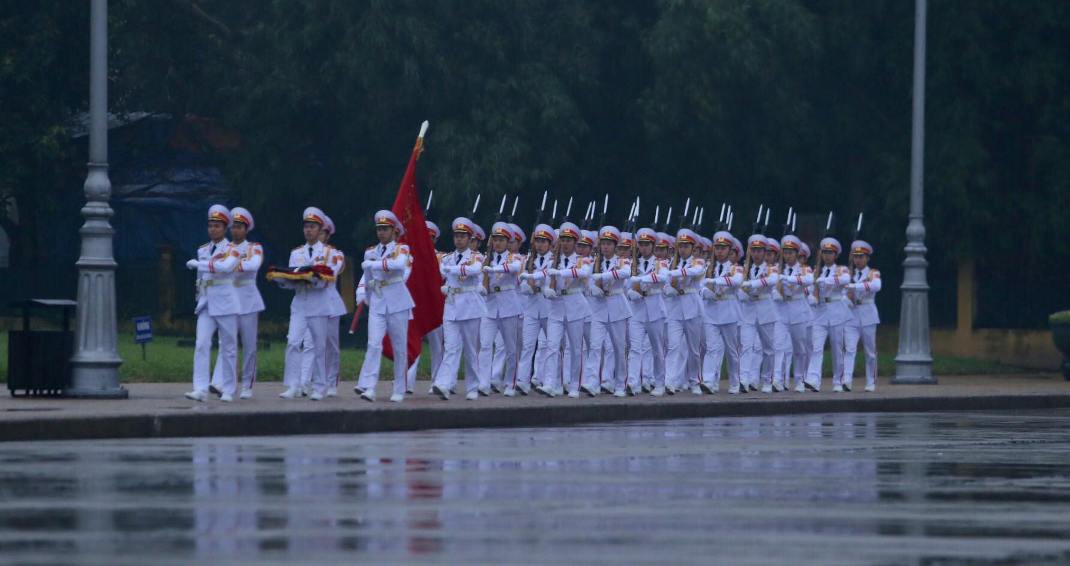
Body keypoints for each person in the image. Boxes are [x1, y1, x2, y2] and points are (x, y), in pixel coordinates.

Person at [354, 210, 414, 402]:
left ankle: (399, 388)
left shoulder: (402, 248)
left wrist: (374, 265)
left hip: (397, 300)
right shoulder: (370, 251)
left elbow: (398, 266)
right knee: (373, 344)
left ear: (394, 230)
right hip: (378, 301)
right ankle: (369, 387)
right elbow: (368, 276)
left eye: (385, 229)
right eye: (379, 229)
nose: (381, 232)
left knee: (399, 347)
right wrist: (363, 293)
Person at [276, 207, 335, 401]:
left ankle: (318, 386)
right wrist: (283, 279)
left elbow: (328, 277)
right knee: (293, 342)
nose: (309, 230)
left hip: (318, 301)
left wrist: (312, 277)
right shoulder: (297, 253)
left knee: (317, 345)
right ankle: (293, 385)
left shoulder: (328, 253)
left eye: (313, 227)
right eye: (306, 227)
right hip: (300, 301)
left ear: (320, 230)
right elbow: (292, 277)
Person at [185, 205, 241, 402]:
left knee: (228, 346)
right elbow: (201, 278)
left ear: (225, 228)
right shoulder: (203, 250)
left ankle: (228, 388)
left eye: (217, 226)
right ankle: (199, 388)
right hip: (207, 302)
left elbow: (225, 269)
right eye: (210, 225)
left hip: (226, 301)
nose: (213, 229)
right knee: (201, 344)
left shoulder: (232, 250)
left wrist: (200, 264)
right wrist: (198, 299)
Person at [208, 206, 263, 400]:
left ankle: (247, 384)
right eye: (234, 227)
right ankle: (220, 382)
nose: (236, 231)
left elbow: (253, 265)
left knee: (249, 345)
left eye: (240, 227)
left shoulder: (254, 247)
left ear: (246, 229)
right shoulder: (225, 248)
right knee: (226, 343)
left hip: (248, 300)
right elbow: (215, 268)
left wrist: (232, 266)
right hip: (229, 299)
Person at [432, 217, 487, 400]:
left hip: (470, 306)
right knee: (451, 347)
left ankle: (472, 387)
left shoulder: (477, 257)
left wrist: (452, 270)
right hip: (452, 304)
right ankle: (444, 384)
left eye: (463, 236)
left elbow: (475, 270)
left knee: (471, 350)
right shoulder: (447, 258)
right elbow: (439, 272)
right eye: (456, 235)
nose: (459, 239)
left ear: (470, 238)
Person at [535, 221, 592, 398]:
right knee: (552, 346)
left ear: (575, 243)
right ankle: (552, 383)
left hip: (575, 305)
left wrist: (559, 273)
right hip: (556, 307)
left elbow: (582, 273)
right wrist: (547, 291)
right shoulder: (553, 261)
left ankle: (574, 384)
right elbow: (544, 282)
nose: (566, 243)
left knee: (575, 348)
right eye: (563, 240)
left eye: (569, 240)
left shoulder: (583, 260)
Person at [582, 225, 633, 397]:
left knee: (618, 348)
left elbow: (625, 274)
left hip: (617, 306)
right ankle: (592, 382)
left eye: (609, 244)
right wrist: (591, 288)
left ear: (615, 246)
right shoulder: (594, 262)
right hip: (598, 308)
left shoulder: (622, 262)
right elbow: (586, 279)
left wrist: (602, 276)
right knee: (595, 346)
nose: (605, 247)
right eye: (603, 243)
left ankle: (620, 383)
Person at [479, 221, 523, 397]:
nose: (497, 243)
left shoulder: (515, 258)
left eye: (501, 240)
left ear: (507, 242)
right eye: (495, 239)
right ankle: (484, 382)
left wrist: (493, 268)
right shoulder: (485, 258)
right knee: (485, 346)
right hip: (489, 306)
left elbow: (514, 269)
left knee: (511, 348)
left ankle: (511, 382)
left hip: (508, 304)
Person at [805, 236, 852, 392]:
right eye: (825, 252)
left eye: (830, 253)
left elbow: (846, 279)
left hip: (836, 310)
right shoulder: (817, 271)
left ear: (836, 255)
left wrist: (828, 281)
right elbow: (812, 290)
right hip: (820, 311)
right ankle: (813, 380)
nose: (827, 255)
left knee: (837, 348)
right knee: (816, 347)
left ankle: (838, 381)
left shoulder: (841, 269)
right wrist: (811, 296)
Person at [701, 230, 744, 394]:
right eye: (717, 247)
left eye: (723, 248)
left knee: (732, 351)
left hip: (729, 313)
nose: (720, 251)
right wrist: (707, 293)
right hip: (711, 313)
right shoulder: (707, 267)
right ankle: (709, 381)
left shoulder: (735, 268)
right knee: (711, 349)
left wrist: (713, 281)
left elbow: (736, 282)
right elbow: (699, 287)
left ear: (729, 250)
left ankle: (734, 382)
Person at [665, 227, 707, 395]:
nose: (683, 249)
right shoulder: (671, 263)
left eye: (686, 246)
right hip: (675, 309)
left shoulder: (698, 262)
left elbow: (696, 272)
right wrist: (675, 288)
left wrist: (675, 274)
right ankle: (670, 382)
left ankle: (694, 381)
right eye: (680, 246)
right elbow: (666, 287)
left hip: (692, 308)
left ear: (692, 248)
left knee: (693, 350)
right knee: (673, 346)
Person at [515, 224, 555, 396]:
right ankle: (522, 380)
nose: (539, 245)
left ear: (550, 243)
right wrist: (526, 285)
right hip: (531, 307)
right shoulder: (528, 260)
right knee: (528, 345)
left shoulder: (555, 260)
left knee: (550, 345)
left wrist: (531, 279)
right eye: (537, 241)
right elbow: (521, 281)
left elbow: (546, 274)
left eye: (543, 241)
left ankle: (551, 380)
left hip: (548, 306)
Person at [628, 227, 669, 396]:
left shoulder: (661, 263)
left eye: (647, 244)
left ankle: (659, 383)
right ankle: (633, 382)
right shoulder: (632, 264)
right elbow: (626, 284)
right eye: (641, 244)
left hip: (654, 310)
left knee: (657, 349)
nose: (644, 248)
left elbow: (663, 277)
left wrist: (640, 279)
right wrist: (631, 292)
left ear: (653, 246)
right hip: (637, 311)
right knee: (635, 348)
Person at [410, 220, 445, 394]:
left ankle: (437, 381)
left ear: (435, 239)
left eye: (429, 237)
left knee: (437, 345)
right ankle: (407, 382)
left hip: (434, 306)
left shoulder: (442, 258)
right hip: (415, 305)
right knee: (411, 342)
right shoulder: (409, 255)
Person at [843, 240, 881, 392]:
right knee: (849, 349)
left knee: (870, 351)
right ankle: (846, 380)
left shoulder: (873, 273)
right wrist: (848, 300)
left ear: (867, 258)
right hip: (851, 315)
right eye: (856, 256)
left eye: (861, 256)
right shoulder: (848, 273)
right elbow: (841, 293)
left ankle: (871, 381)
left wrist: (854, 286)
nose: (858, 259)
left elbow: (876, 286)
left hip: (868, 314)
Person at [779, 234, 814, 393]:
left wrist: (788, 278)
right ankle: (780, 380)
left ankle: (800, 380)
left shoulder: (805, 269)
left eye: (791, 253)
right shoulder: (778, 268)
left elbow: (808, 281)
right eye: (785, 252)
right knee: (781, 347)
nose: (788, 256)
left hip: (799, 309)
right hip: (782, 309)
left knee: (800, 347)